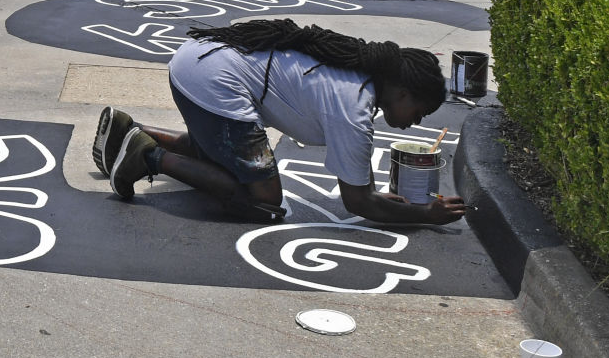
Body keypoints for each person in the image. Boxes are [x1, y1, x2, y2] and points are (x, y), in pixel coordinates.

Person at [90, 19, 468, 225]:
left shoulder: (357, 74)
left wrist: (376, 197)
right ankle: (147, 155)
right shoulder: (353, 108)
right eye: (418, 112)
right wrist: (425, 215)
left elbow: (364, 191)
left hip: (194, 63)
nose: (415, 122)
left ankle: (131, 129)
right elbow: (358, 202)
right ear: (402, 93)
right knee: (264, 203)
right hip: (215, 81)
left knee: (225, 155)